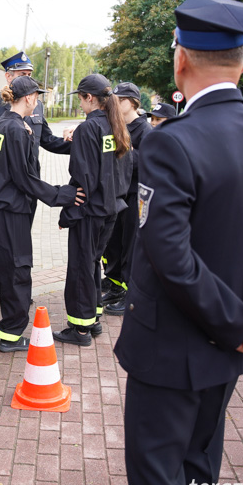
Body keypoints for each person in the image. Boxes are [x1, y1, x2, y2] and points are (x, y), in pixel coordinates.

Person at [114, 0, 243, 485]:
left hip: (170, 353)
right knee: (197, 477)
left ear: (180, 57)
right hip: (228, 354)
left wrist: (238, 322)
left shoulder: (172, 140)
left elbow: (169, 253)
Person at [0, 76, 83, 352]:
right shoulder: (15, 130)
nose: (37, 101)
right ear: (28, 98)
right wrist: (63, 195)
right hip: (9, 212)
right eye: (37, 97)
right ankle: (12, 335)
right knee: (16, 269)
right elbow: (24, 178)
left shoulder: (1, 125)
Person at [0, 51, 72, 312]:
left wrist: (78, 144)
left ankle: (7, 294)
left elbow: (48, 140)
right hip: (7, 192)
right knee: (9, 254)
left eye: (29, 74)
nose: (28, 78)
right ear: (9, 77)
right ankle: (5, 297)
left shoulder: (34, 109)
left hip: (25, 194)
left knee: (11, 248)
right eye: (23, 75)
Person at [53, 74, 132, 347]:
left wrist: (68, 214)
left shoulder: (89, 129)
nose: (80, 103)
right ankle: (93, 318)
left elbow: (82, 177)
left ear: (89, 98)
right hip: (111, 209)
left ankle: (80, 328)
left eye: (80, 98)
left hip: (90, 212)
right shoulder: (117, 126)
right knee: (92, 264)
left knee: (80, 268)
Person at [99, 82, 153, 315]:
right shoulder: (115, 126)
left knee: (131, 246)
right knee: (114, 243)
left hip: (134, 197)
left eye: (119, 100)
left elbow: (147, 164)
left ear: (131, 103)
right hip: (116, 194)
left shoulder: (145, 130)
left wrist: (125, 151)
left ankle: (131, 295)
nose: (115, 103)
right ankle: (115, 284)